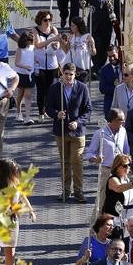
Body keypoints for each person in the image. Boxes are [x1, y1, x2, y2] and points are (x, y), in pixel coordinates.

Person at [46, 63, 92, 203]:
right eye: (66, 74)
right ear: (62, 74)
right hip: (61, 131)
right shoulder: (55, 88)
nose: (68, 77)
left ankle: (78, 191)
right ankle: (65, 191)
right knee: (65, 162)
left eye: (71, 74)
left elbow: (88, 110)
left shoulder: (82, 88)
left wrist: (78, 122)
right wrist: (56, 114)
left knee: (76, 161)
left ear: (75, 75)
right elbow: (48, 107)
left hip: (77, 133)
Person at [85, 109, 130, 211]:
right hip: (106, 171)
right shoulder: (100, 133)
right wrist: (96, 159)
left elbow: (126, 150)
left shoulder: (123, 131)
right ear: (112, 120)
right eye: (120, 120)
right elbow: (89, 153)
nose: (123, 122)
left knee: (122, 198)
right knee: (102, 201)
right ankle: (96, 224)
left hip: (120, 171)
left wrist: (127, 166)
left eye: (124, 120)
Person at [85, 0, 118, 71]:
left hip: (106, 25)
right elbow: (85, 3)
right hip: (94, 24)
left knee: (104, 47)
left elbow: (117, 8)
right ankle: (96, 68)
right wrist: (84, 3)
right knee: (96, 45)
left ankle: (100, 67)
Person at [102, 153, 133, 224]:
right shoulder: (113, 179)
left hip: (128, 217)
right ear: (117, 167)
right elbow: (119, 188)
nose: (128, 167)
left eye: (129, 165)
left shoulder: (128, 179)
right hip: (113, 219)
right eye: (124, 166)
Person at [31, 11, 60, 121]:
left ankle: (48, 110)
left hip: (52, 64)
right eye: (45, 20)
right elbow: (38, 45)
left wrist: (55, 45)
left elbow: (57, 44)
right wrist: (51, 39)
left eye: (49, 20)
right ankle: (40, 112)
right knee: (41, 89)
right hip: (40, 65)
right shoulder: (35, 30)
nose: (48, 22)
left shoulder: (53, 29)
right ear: (40, 20)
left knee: (50, 89)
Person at [60, 16, 95, 82]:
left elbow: (94, 53)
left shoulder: (87, 36)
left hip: (82, 67)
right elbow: (67, 51)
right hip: (71, 66)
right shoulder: (71, 36)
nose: (71, 27)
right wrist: (60, 42)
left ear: (78, 26)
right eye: (71, 25)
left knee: (81, 85)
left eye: (73, 26)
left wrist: (91, 47)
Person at [13, 31, 36, 124]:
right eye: (29, 40)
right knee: (20, 94)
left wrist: (36, 62)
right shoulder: (19, 49)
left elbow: (33, 57)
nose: (30, 42)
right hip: (21, 74)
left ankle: (27, 117)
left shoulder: (33, 48)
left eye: (31, 40)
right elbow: (17, 63)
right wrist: (25, 66)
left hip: (30, 74)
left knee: (28, 95)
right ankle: (18, 112)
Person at [98, 48, 121, 118]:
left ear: (118, 53)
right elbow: (102, 89)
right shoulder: (104, 70)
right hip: (110, 104)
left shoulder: (125, 67)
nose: (112, 58)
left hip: (125, 103)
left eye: (114, 55)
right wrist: (118, 89)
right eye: (109, 56)